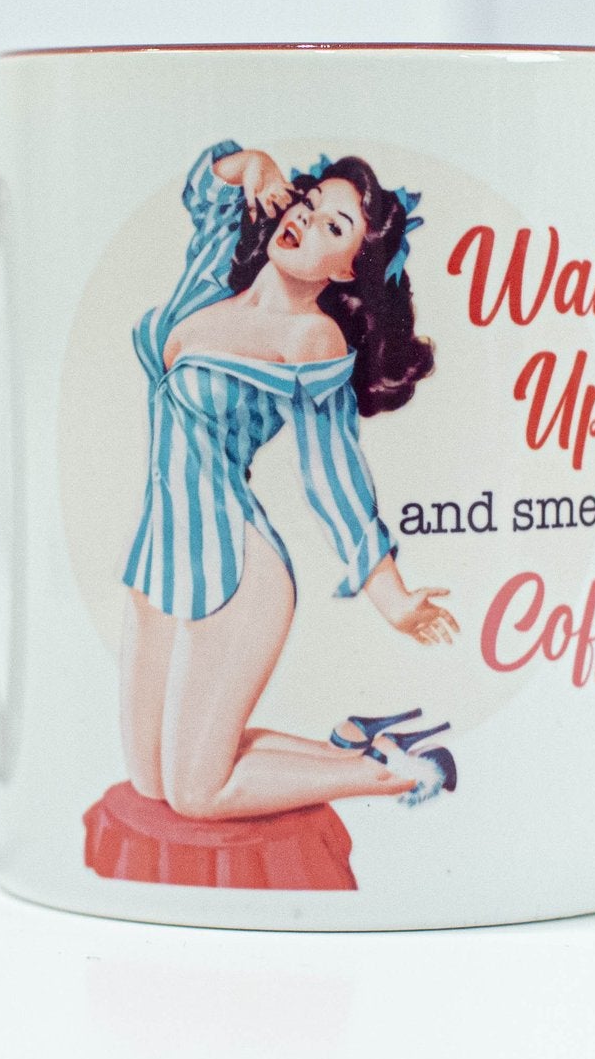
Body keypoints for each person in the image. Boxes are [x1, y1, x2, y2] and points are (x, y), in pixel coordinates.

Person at [119, 138, 460, 821]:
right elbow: (204, 190)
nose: (305, 218)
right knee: (150, 781)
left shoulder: (310, 341)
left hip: (234, 572)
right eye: (309, 201)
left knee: (196, 792)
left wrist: (391, 595)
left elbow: (333, 473)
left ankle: (398, 774)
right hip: (159, 555)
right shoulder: (214, 274)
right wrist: (251, 165)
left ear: (346, 272)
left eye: (335, 226)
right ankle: (368, 746)